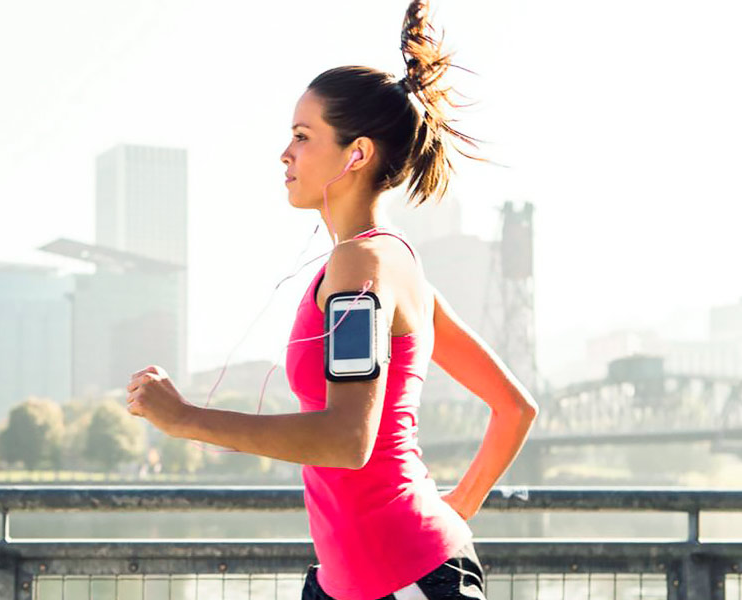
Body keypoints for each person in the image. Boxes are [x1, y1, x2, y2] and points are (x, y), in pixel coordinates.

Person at [124, 0, 539, 597]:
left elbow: (348, 440)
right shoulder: (394, 267)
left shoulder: (361, 266)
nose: (285, 153)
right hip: (347, 581)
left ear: (357, 153)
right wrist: (455, 510)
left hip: (405, 581)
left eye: (302, 136)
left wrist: (186, 419)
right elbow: (514, 408)